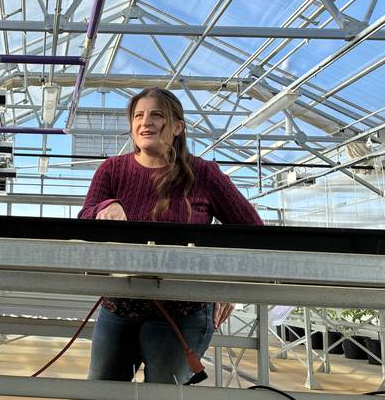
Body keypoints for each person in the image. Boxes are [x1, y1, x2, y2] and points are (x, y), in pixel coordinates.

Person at [79, 87, 263, 385]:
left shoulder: (204, 175)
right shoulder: (111, 170)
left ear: (178, 127)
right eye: (138, 115)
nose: (145, 122)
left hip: (182, 312)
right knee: (102, 389)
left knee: (163, 393)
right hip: (119, 305)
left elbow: (252, 231)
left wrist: (229, 283)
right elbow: (84, 218)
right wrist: (104, 207)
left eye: (157, 115)